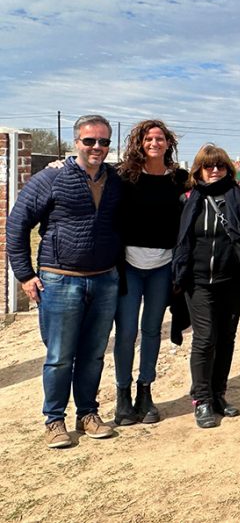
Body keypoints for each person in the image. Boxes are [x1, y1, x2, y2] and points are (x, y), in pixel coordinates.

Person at [7, 115, 122, 448]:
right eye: (90, 141)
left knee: (94, 354)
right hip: (60, 281)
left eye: (103, 142)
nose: (97, 147)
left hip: (104, 280)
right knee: (59, 355)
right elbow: (17, 225)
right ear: (76, 143)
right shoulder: (51, 178)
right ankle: (54, 420)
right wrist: (25, 274)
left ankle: (87, 414)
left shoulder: (115, 180)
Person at [172, 145, 240, 429]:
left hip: (232, 280)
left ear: (228, 169)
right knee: (205, 337)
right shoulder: (187, 199)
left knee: (226, 338)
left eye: (220, 166)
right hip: (197, 281)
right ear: (198, 170)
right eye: (208, 166)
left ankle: (218, 394)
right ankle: (201, 399)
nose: (214, 171)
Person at [113, 119, 188, 426]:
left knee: (153, 331)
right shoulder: (125, 177)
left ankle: (146, 391)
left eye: (160, 138)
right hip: (130, 266)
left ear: (168, 143)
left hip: (162, 267)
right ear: (139, 143)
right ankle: (123, 396)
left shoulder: (179, 179)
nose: (154, 143)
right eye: (148, 138)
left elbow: (212, 181)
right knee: (127, 332)